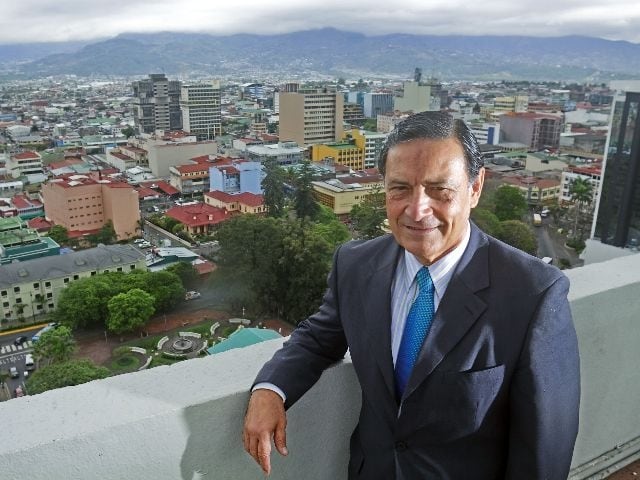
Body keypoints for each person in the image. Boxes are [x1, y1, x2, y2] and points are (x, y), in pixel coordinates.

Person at [243, 111, 580, 479]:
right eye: (400, 188)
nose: (417, 210)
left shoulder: (533, 294)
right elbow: (319, 338)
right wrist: (270, 389)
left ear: (475, 187)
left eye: (439, 189)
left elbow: (544, 450)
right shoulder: (355, 265)